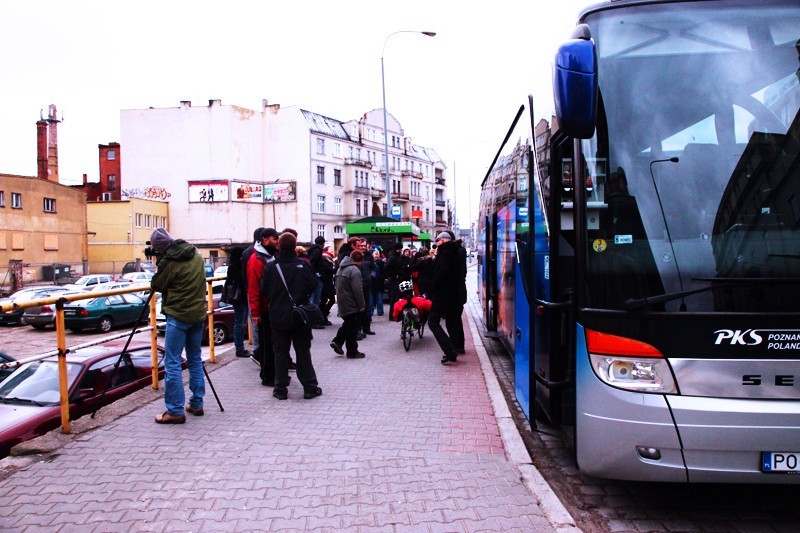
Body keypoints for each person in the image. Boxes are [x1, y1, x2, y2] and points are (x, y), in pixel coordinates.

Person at [149, 228, 207, 424]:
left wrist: (161, 264)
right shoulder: (197, 256)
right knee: (195, 359)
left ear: (160, 249)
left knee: (172, 362)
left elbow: (157, 284)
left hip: (178, 316)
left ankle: (174, 410)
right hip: (197, 314)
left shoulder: (170, 263)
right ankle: (197, 403)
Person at [261, 232, 322, 400]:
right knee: (303, 352)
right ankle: (309, 387)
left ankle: (280, 389)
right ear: (295, 246)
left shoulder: (271, 267)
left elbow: (264, 290)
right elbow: (313, 285)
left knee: (280, 353)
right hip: (300, 315)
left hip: (278, 316)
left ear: (278, 246)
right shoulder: (303, 264)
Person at [247, 227, 282, 386]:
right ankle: (268, 377)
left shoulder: (269, 256)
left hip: (271, 306)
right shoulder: (257, 259)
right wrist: (255, 313)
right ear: (266, 239)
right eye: (275, 239)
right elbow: (253, 288)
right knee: (267, 344)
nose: (277, 242)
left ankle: (272, 374)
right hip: (265, 308)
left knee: (272, 343)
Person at [428, 232, 463, 365]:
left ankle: (449, 350)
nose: (436, 243)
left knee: (433, 322)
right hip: (453, 294)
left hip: (443, 294)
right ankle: (453, 350)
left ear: (443, 240)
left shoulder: (446, 253)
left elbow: (442, 273)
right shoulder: (455, 251)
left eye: (437, 241)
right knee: (452, 322)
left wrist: (434, 284)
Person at [330, 249, 366, 359]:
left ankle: (337, 341)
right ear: (359, 261)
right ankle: (352, 351)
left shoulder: (341, 268)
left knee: (348, 323)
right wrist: (362, 304)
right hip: (351, 302)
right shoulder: (354, 270)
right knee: (352, 327)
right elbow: (357, 289)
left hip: (342, 300)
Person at [241, 227, 265, 364]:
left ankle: (258, 350)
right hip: (254, 291)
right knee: (256, 321)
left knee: (255, 322)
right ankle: (258, 351)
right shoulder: (254, 253)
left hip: (251, 291)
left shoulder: (247, 252)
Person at [222, 246, 250, 358]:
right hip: (239, 298)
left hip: (240, 297)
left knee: (241, 323)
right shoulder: (235, 267)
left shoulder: (234, 265)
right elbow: (240, 279)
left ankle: (240, 347)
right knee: (240, 323)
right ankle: (239, 348)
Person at [307, 236, 325, 307]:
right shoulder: (317, 250)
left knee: (314, 296)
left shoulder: (313, 249)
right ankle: (313, 313)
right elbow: (312, 261)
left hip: (314, 275)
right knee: (315, 297)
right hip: (316, 276)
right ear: (323, 243)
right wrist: (318, 273)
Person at [319, 247, 336, 326]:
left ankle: (324, 316)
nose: (332, 251)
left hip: (328, 282)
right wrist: (336, 268)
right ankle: (323, 316)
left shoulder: (329, 259)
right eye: (330, 249)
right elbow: (328, 270)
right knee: (326, 300)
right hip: (326, 283)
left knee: (328, 300)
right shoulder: (324, 259)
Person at [369, 249, 385, 317]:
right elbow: (384, 273)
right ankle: (380, 311)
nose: (376, 255)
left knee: (372, 298)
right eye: (375, 254)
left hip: (373, 282)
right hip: (378, 282)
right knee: (378, 298)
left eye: (377, 254)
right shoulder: (382, 262)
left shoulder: (370, 263)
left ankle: (371, 311)